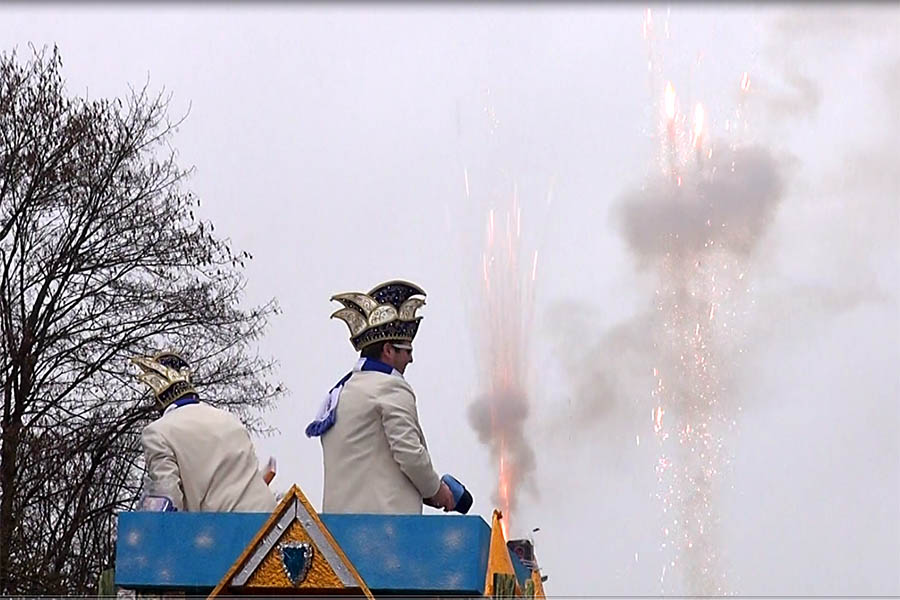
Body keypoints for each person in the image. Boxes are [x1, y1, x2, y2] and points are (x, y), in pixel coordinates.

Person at [306, 280, 455, 514]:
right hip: (384, 530)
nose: (410, 360)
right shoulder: (390, 387)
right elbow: (409, 455)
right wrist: (437, 491)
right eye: (407, 351)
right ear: (388, 350)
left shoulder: (343, 391)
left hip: (337, 530)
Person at [134, 351, 276, 512]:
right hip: (270, 520)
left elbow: (166, 495)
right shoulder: (229, 419)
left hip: (223, 528)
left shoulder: (157, 432)